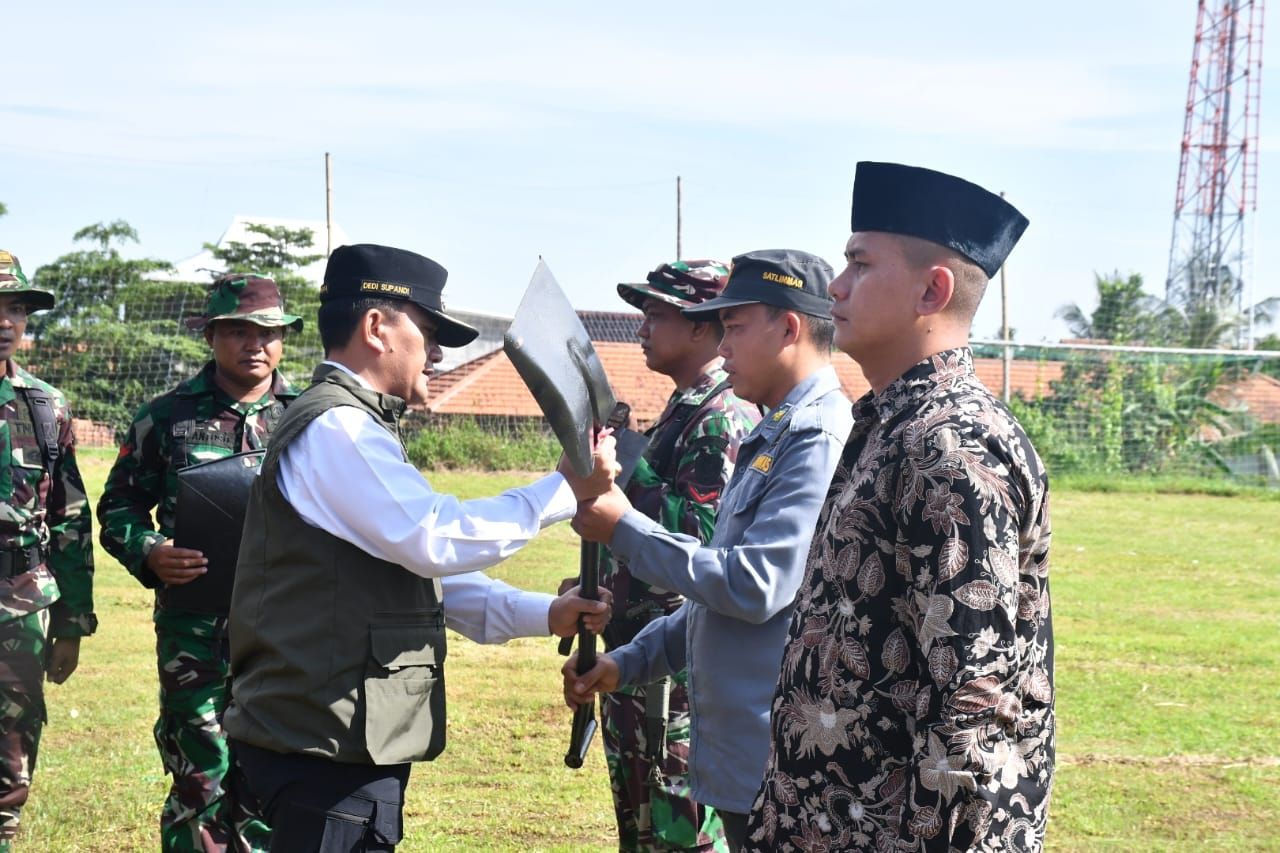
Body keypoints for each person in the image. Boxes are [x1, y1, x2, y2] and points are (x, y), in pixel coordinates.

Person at [223, 243, 617, 852]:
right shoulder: (340, 428)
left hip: (332, 739)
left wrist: (544, 613)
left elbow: (413, 584)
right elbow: (432, 537)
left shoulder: (355, 425)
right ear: (377, 327)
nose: (436, 353)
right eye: (429, 331)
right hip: (324, 749)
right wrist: (564, 489)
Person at [744, 163, 1053, 852]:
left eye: (859, 263)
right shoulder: (893, 424)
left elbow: (971, 715)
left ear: (931, 289)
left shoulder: (951, 444)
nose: (836, 285)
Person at [565, 249, 854, 851]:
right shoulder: (777, 429)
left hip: (777, 764)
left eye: (735, 327)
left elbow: (753, 585)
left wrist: (623, 526)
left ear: (789, 328)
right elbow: (712, 595)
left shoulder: (816, 438)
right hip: (742, 763)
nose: (722, 348)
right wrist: (631, 661)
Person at [97, 273, 304, 851]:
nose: (255, 344)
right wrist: (151, 551)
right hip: (195, 628)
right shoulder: (166, 417)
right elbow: (118, 504)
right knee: (199, 771)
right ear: (211, 336)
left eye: (268, 332)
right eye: (238, 331)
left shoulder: (310, 418)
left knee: (272, 772)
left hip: (287, 626)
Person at [590, 260, 759, 852]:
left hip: (674, 675)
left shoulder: (719, 417)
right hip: (641, 657)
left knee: (679, 833)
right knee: (642, 831)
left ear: (701, 327)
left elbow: (700, 535)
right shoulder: (686, 407)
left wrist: (625, 474)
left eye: (657, 314)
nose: (642, 327)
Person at [0, 251, 96, 853]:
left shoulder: (46, 406)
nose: (6, 321)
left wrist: (72, 622)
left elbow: (68, 517)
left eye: (15, 309)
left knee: (12, 741)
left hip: (18, 602)